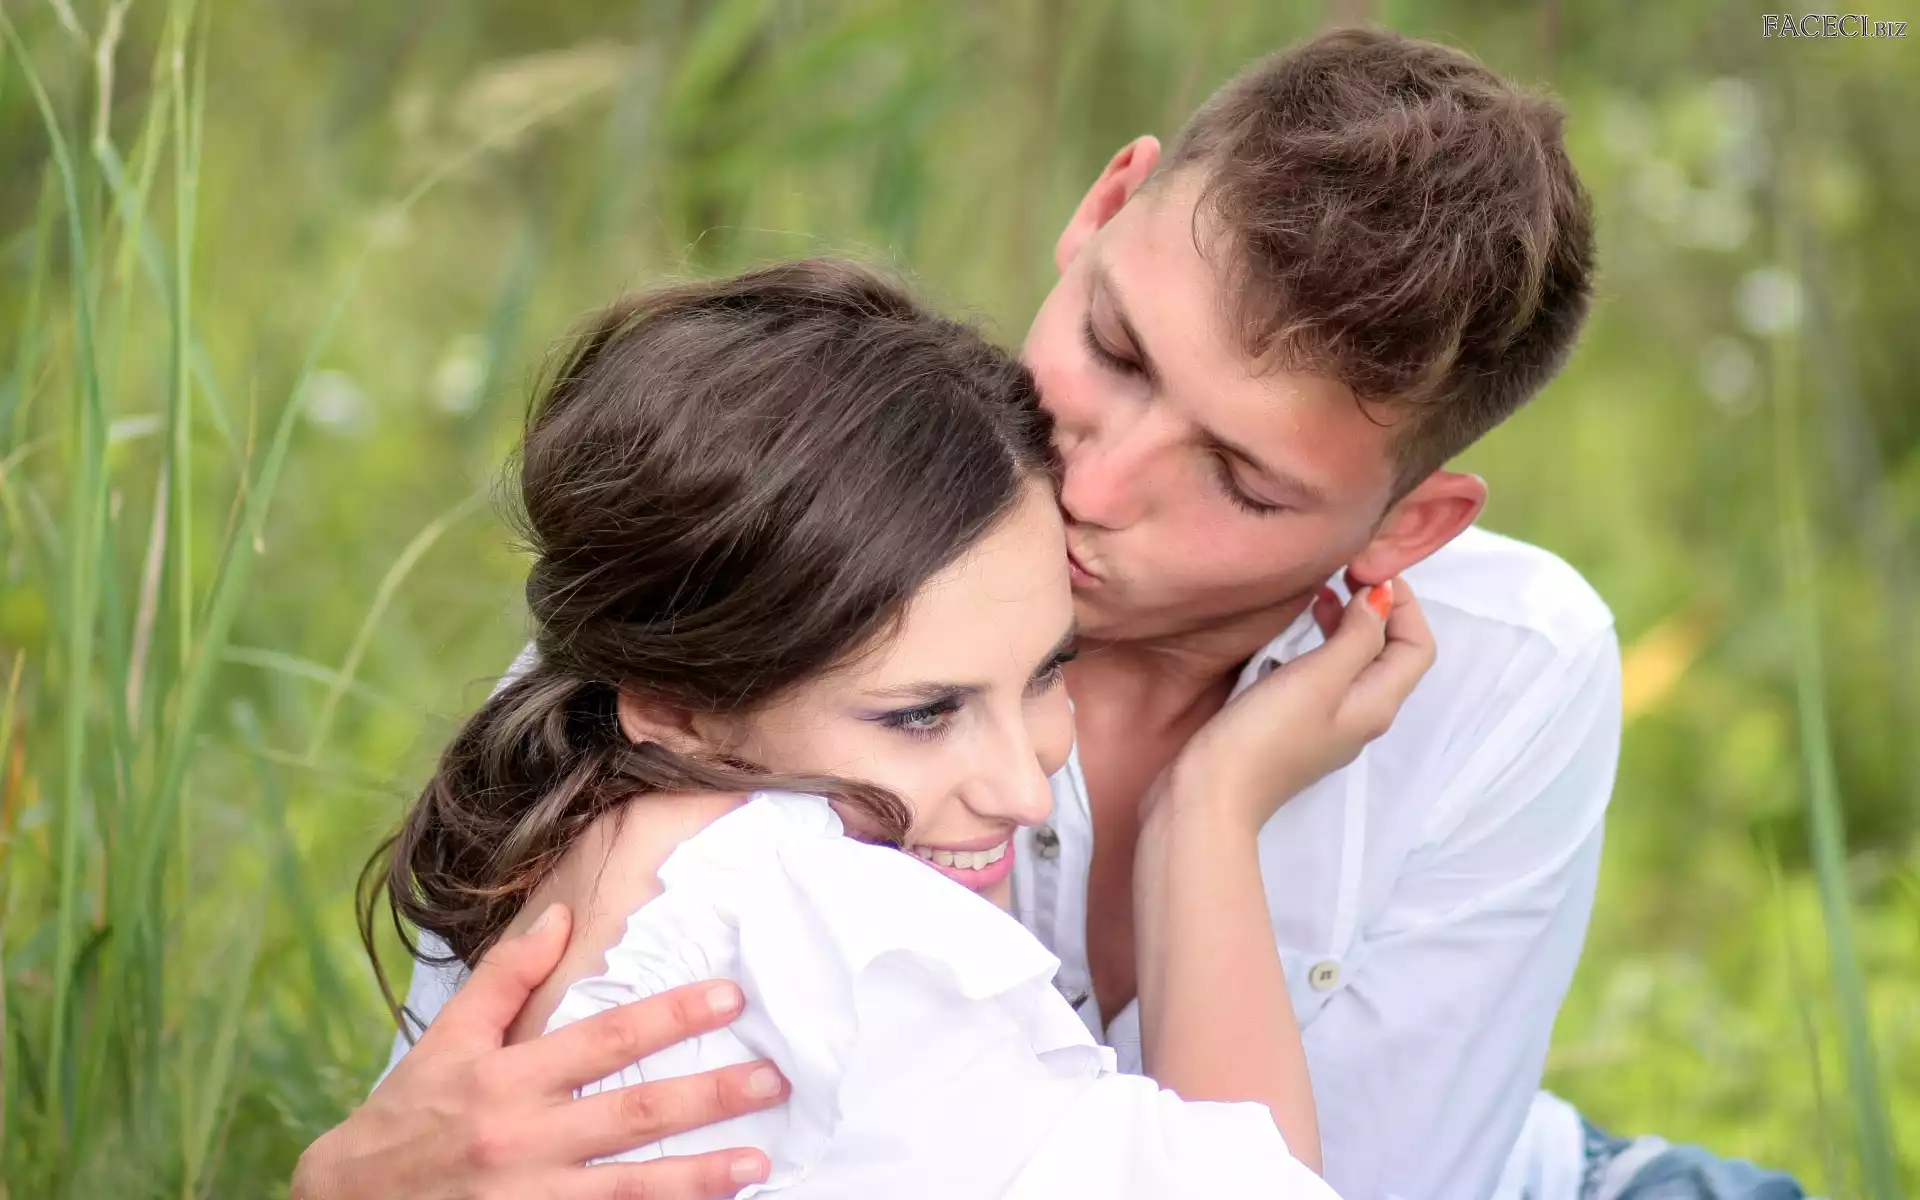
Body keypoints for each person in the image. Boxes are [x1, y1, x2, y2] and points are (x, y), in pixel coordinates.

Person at [294, 27, 1806, 1200]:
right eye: (1117, 351)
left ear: (1406, 527)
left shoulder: (1505, 668)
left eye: (1241, 480)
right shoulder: (765, 585)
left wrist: (1210, 815)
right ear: (1103, 210)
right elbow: (487, 1124)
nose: (1097, 481)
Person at [356, 258, 1431, 1197]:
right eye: (924, 715)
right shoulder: (849, 939)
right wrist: (1213, 808)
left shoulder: (596, 834)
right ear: (678, 709)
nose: (1023, 790)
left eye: (1049, 671)